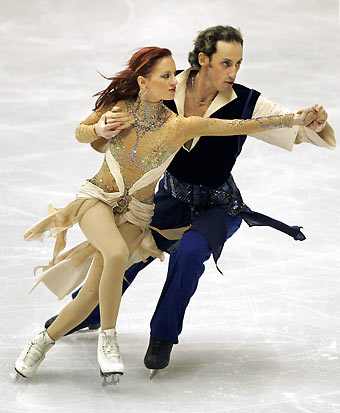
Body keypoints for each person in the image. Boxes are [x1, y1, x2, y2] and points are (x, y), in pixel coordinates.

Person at [46, 26, 335, 377]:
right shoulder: (166, 85)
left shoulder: (246, 101)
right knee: (130, 249)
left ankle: (162, 336)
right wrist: (101, 127)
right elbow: (108, 133)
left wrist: (313, 123)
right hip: (172, 196)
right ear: (203, 60)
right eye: (226, 63)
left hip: (218, 205)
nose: (234, 72)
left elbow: (290, 126)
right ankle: (87, 311)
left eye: (238, 64)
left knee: (188, 253)